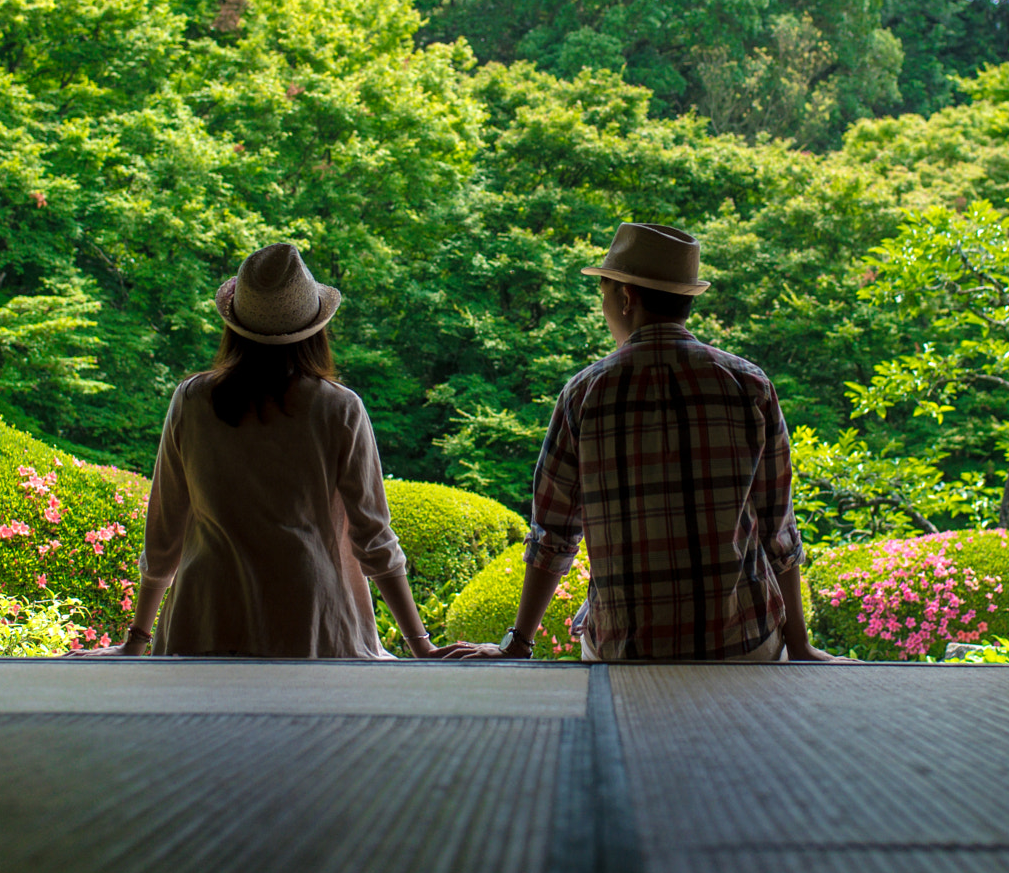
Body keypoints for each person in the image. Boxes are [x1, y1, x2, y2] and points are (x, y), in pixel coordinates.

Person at [440, 223, 830, 663]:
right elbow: (779, 531)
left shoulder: (585, 393)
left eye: (604, 294)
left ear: (626, 297)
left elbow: (554, 534)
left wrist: (519, 642)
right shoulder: (749, 385)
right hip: (742, 645)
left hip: (626, 654)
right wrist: (799, 645)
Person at [74, 243, 437, 659]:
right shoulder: (339, 408)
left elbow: (164, 536)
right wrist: (420, 645)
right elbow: (373, 539)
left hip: (206, 617)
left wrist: (135, 641)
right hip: (310, 619)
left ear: (236, 326)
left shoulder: (192, 401)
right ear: (314, 330)